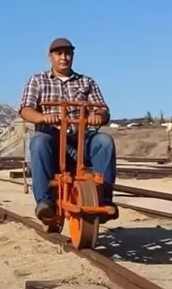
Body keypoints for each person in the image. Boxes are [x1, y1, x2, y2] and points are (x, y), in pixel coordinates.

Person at [18, 37, 118, 225]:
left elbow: (102, 108)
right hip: (52, 138)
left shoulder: (86, 82)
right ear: (50, 57)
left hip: (81, 137)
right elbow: (25, 109)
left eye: (67, 53)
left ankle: (104, 198)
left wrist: (98, 116)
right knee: (38, 142)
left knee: (104, 141)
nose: (63, 57)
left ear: (72, 56)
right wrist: (43, 118)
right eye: (59, 53)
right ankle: (44, 202)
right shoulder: (37, 80)